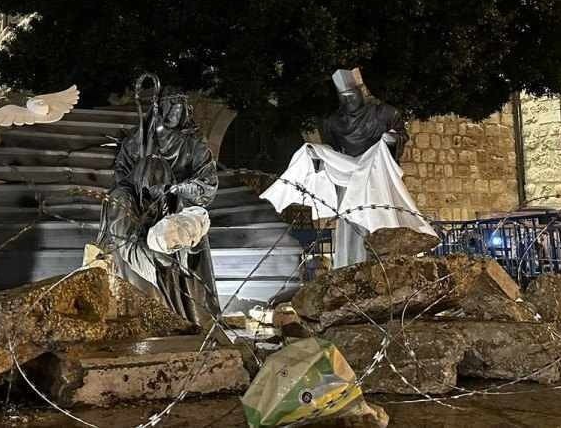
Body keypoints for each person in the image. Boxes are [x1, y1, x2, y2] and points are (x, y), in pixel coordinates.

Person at [262, 69, 434, 267]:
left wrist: (390, 140)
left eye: (352, 96)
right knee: (351, 223)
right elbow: (333, 151)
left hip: (376, 175)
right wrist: (319, 157)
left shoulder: (383, 113)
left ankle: (380, 264)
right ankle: (349, 265)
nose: (349, 101)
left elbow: (400, 135)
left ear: (360, 93)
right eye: (344, 98)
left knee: (379, 216)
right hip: (348, 178)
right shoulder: (334, 121)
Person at [98, 77, 220, 327]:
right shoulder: (137, 141)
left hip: (178, 212)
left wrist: (176, 188)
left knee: (181, 234)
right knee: (122, 218)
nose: (174, 110)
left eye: (179, 106)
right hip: (139, 207)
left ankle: (186, 310)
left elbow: (207, 186)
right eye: (169, 104)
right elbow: (121, 174)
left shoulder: (194, 145)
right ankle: (140, 299)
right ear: (159, 107)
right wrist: (140, 186)